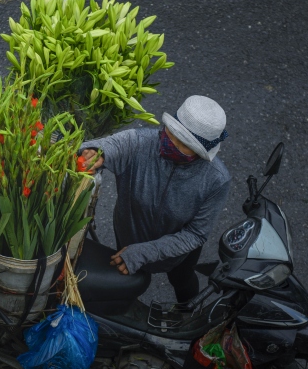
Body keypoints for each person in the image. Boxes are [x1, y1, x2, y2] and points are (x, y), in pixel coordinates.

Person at [79, 95, 232, 305]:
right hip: (128, 235)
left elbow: (195, 234)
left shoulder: (216, 180)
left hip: (178, 253)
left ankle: (186, 315)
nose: (172, 143)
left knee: (183, 280)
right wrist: (96, 153)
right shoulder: (141, 143)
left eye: (184, 143)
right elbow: (110, 146)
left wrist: (142, 253)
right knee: (126, 282)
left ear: (200, 151)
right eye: (172, 133)